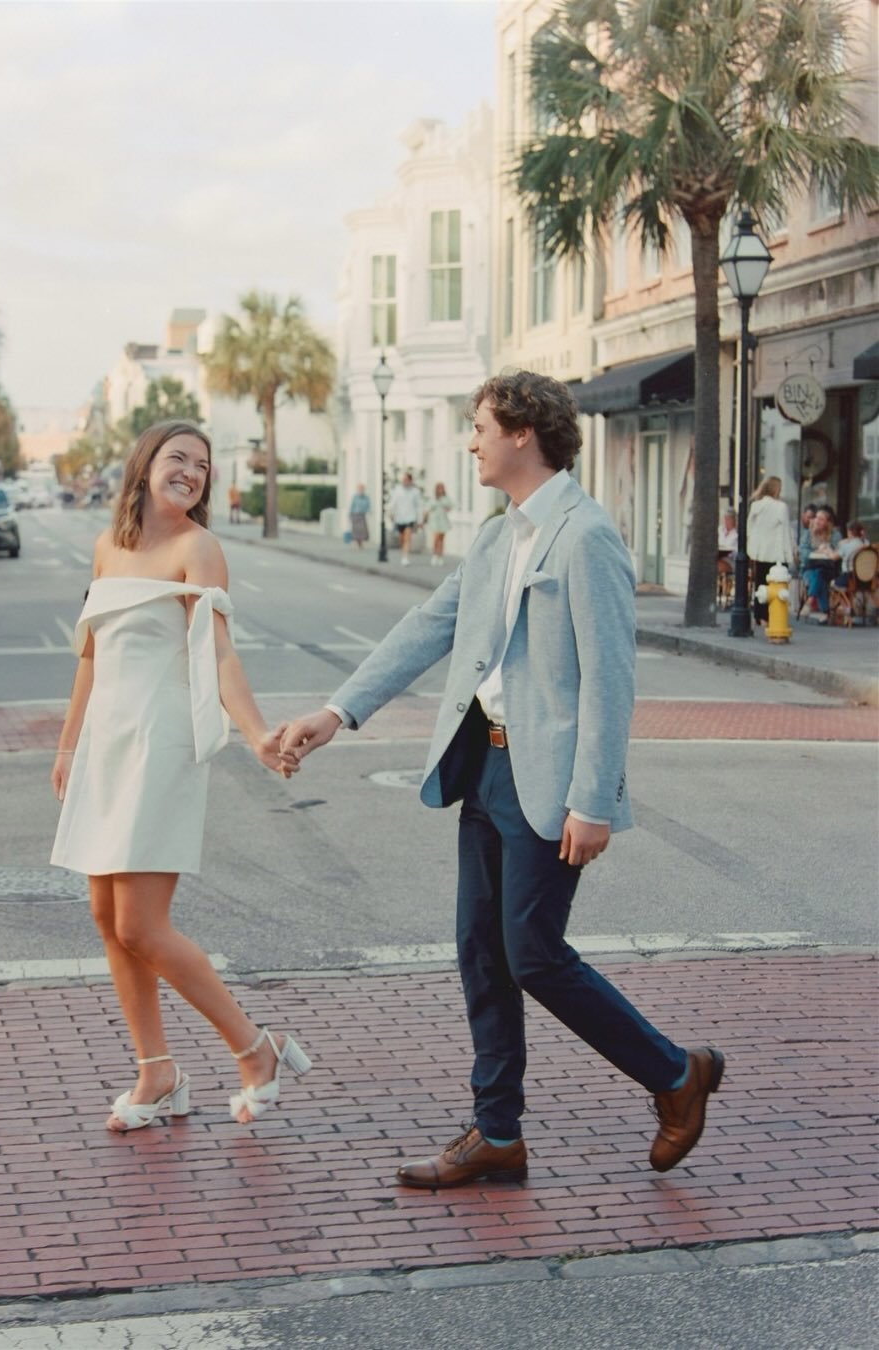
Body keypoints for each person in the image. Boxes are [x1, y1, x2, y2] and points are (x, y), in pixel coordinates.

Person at [281, 372, 723, 1187]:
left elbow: (610, 680)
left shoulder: (585, 536)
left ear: (523, 433)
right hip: (481, 763)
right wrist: (337, 713)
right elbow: (428, 627)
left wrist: (594, 799)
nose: (471, 439)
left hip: (548, 779)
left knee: (533, 954)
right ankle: (497, 1133)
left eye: (479, 424)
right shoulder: (496, 537)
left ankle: (674, 1074)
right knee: (482, 953)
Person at [50, 421, 311, 1133]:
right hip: (105, 743)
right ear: (145, 464)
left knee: (142, 923)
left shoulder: (200, 547)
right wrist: (69, 744)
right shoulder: (109, 546)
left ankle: (254, 1047)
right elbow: (90, 655)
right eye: (179, 459)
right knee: (106, 918)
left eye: (202, 466)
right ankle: (156, 1073)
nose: (192, 473)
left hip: (160, 745)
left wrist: (257, 733)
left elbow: (217, 652)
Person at [746, 476, 793, 620]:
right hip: (777, 552)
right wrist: (789, 554)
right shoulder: (780, 507)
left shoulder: (756, 506)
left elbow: (750, 529)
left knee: (761, 583)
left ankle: (760, 615)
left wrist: (752, 549)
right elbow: (785, 531)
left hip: (761, 552)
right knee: (777, 585)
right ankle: (773, 614)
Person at [802, 515, 840, 622]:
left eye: (821, 519)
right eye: (817, 518)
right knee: (818, 575)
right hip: (809, 568)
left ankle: (810, 601)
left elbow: (838, 553)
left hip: (828, 568)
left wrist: (828, 550)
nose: (817, 520)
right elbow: (803, 554)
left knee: (819, 574)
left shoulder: (834, 535)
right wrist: (815, 551)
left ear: (827, 523)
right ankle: (825, 611)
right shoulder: (808, 534)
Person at [390, 472, 423, 566]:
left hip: (410, 518)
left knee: (407, 537)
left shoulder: (415, 492)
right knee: (401, 539)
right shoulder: (397, 490)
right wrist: (391, 513)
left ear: (410, 481)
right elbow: (393, 503)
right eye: (403, 480)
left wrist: (420, 520)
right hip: (399, 518)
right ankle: (403, 553)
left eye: (406, 480)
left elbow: (419, 506)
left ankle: (405, 557)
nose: (404, 482)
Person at [424, 482, 455, 566]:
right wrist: (424, 519)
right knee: (436, 539)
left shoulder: (446, 498)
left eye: (442, 488)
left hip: (443, 521)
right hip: (434, 521)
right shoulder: (433, 498)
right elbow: (427, 509)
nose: (441, 490)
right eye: (439, 488)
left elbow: (451, 506)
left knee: (441, 539)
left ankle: (440, 556)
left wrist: (447, 508)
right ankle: (435, 555)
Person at [349, 483, 371, 549]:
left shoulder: (366, 497)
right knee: (356, 530)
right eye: (359, 489)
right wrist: (350, 514)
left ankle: (361, 543)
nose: (361, 490)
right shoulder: (355, 497)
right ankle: (357, 543)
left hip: (362, 515)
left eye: (362, 489)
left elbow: (368, 505)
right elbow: (352, 506)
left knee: (362, 530)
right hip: (355, 514)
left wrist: (368, 511)